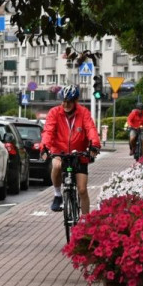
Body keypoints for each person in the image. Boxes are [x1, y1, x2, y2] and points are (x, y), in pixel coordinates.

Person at [41, 84, 102, 215]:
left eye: (69, 101)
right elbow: (48, 131)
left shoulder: (83, 112)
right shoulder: (54, 113)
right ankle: (57, 194)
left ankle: (86, 221)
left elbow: (90, 129)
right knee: (56, 166)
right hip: (59, 151)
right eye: (64, 101)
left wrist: (95, 145)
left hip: (79, 154)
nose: (66, 104)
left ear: (76, 101)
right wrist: (44, 148)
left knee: (82, 190)